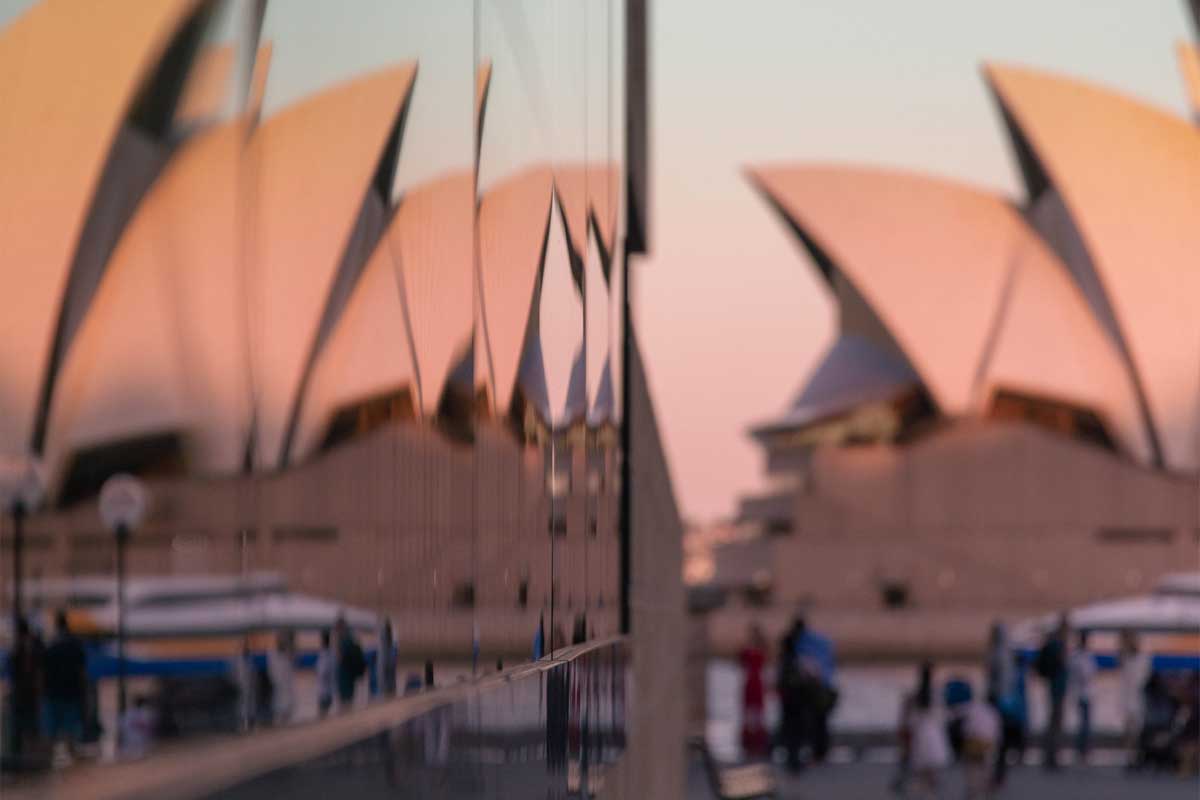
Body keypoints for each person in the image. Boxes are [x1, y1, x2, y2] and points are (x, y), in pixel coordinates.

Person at [43, 610, 87, 764]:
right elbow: (82, 671)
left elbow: (43, 669)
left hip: (53, 691)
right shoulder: (75, 644)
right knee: (71, 726)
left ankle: (48, 758)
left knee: (51, 728)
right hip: (71, 691)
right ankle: (72, 756)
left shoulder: (51, 644)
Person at [791, 615, 837, 763]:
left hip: (815, 689)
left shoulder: (802, 643)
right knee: (822, 722)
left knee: (816, 722)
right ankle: (822, 752)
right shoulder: (821, 640)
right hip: (826, 686)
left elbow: (806, 667)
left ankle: (818, 752)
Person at [909, 662, 950, 799]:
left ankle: (923, 794)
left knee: (921, 773)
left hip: (920, 732)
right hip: (933, 732)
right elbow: (942, 714)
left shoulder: (916, 693)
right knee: (933, 772)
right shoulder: (935, 692)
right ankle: (931, 795)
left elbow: (912, 717)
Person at [5, 617, 44, 760]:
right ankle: (30, 751)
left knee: (24, 722)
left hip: (24, 692)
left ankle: (26, 751)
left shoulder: (21, 648)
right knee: (30, 723)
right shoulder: (33, 645)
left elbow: (30, 671)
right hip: (28, 692)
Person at [1033, 614, 1068, 770]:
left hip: (1053, 688)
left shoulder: (1053, 643)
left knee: (1052, 722)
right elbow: (1061, 667)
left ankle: (1050, 756)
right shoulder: (1058, 645)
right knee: (1055, 724)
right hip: (1057, 689)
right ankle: (1052, 757)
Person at [991, 652, 1028, 790]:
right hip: (1014, 714)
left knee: (1003, 747)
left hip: (1007, 712)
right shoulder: (1018, 676)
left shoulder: (1007, 675)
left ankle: (999, 776)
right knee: (1009, 744)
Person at [960, 686, 1001, 800]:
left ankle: (972, 790)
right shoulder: (994, 713)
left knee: (971, 767)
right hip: (986, 744)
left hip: (972, 742)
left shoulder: (973, 707)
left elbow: (963, 723)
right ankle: (984, 788)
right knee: (984, 768)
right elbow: (997, 735)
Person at [1120, 630, 1152, 766]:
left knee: (1137, 730)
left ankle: (1136, 756)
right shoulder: (1126, 658)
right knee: (1129, 730)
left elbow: (1145, 678)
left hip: (1139, 699)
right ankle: (1129, 757)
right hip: (1128, 699)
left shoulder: (1144, 658)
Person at [776, 624, 805, 773]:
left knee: (790, 732)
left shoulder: (784, 661)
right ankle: (794, 761)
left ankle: (792, 760)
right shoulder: (793, 660)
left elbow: (780, 682)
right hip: (795, 702)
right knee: (794, 733)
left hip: (788, 702)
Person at [738, 624, 769, 759]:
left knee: (756, 716)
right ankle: (750, 744)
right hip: (752, 683)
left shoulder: (758, 651)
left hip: (756, 683)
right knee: (750, 715)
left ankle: (756, 744)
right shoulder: (749, 651)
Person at [1067, 629, 1096, 762]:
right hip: (1081, 693)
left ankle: (1084, 749)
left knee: (1086, 723)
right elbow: (1084, 674)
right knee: (1084, 724)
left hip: (1087, 693)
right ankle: (1082, 750)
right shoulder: (1077, 656)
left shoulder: (1084, 655)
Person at [335, 617, 366, 709]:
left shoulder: (344, 641)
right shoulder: (350, 639)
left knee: (345, 704)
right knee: (349, 701)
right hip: (349, 679)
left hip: (345, 679)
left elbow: (341, 658)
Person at [267, 631, 295, 725]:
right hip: (278, 699)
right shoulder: (272, 655)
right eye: (280, 639)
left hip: (287, 699)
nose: (281, 641)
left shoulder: (288, 656)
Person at [315, 628, 335, 717]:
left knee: (323, 714)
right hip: (327, 690)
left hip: (325, 691)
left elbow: (323, 672)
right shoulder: (329, 654)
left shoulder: (326, 655)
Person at [378, 620, 397, 698]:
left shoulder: (386, 650)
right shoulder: (390, 649)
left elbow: (383, 670)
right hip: (389, 685)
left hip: (387, 687)